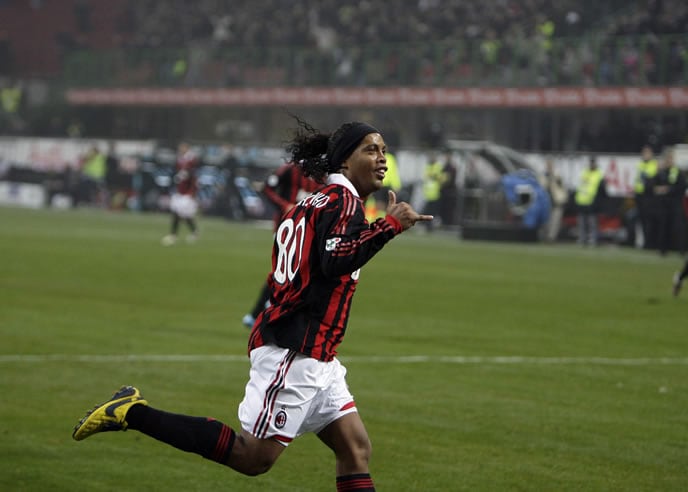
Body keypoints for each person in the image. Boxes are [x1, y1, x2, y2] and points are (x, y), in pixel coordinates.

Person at [72, 119, 432, 491]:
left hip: (317, 353)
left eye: (384, 151)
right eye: (371, 150)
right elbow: (334, 259)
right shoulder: (342, 204)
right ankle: (132, 411)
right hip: (297, 352)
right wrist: (389, 225)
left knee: (356, 449)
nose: (382, 159)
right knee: (253, 457)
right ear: (344, 160)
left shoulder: (310, 203)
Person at [241, 161, 319, 328]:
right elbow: (267, 188)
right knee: (288, 271)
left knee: (293, 272)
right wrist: (285, 206)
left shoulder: (322, 174)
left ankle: (262, 312)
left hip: (308, 229)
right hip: (287, 227)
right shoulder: (290, 170)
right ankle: (265, 311)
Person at [645, 147, 687, 256]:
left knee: (678, 227)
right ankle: (662, 250)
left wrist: (668, 189)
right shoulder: (661, 172)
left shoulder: (677, 172)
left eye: (671, 158)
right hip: (663, 204)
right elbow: (650, 185)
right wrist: (658, 189)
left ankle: (681, 250)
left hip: (675, 204)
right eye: (667, 158)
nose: (669, 160)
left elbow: (681, 186)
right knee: (664, 227)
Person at [161, 142, 200, 246]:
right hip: (180, 191)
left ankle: (182, 233)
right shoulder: (180, 159)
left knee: (183, 214)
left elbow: (193, 176)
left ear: (187, 148)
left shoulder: (192, 160)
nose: (181, 149)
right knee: (178, 212)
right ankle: (176, 234)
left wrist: (193, 191)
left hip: (187, 192)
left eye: (183, 147)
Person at [574, 155, 606, 246]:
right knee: (581, 223)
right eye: (591, 162)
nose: (591, 164)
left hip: (592, 201)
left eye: (593, 162)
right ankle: (582, 239)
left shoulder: (599, 174)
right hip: (582, 201)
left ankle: (593, 239)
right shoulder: (585, 172)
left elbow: (602, 190)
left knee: (592, 223)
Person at [633, 145, 658, 249]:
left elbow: (650, 179)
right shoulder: (640, 164)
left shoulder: (654, 164)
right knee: (641, 220)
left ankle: (649, 243)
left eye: (647, 153)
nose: (645, 155)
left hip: (649, 196)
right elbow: (638, 179)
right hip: (639, 195)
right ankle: (643, 242)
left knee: (648, 220)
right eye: (644, 153)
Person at [539, 157, 568, 242]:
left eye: (550, 165)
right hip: (546, 202)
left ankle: (551, 238)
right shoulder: (543, 175)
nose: (549, 166)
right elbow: (542, 186)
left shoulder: (557, 175)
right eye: (548, 165)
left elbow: (561, 187)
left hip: (556, 201)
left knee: (555, 221)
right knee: (546, 222)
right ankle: (545, 236)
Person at [422, 153, 447, 232]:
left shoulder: (438, 167)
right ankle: (428, 227)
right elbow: (426, 178)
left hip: (436, 193)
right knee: (428, 211)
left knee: (433, 212)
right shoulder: (428, 167)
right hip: (428, 194)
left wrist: (436, 177)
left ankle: (431, 226)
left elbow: (443, 178)